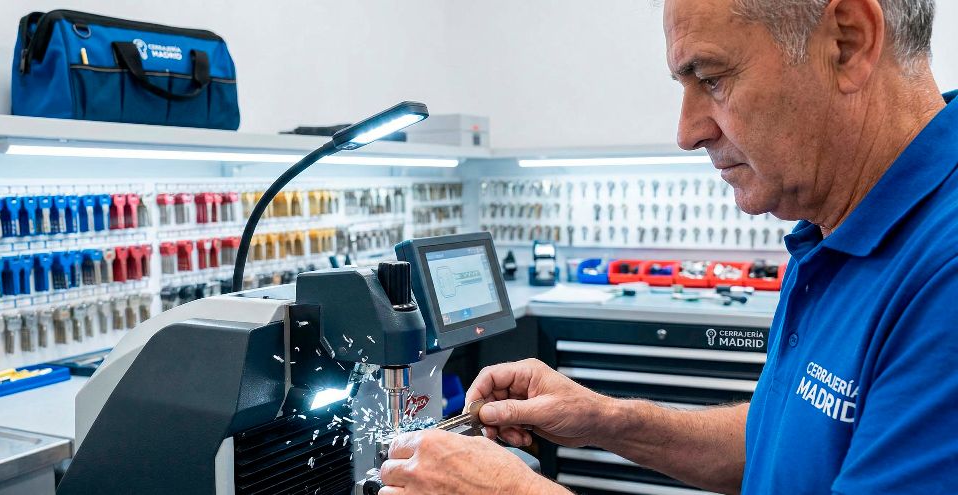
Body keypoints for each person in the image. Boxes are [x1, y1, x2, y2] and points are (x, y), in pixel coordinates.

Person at [378, 0, 958, 493]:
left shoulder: (944, 276)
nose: (687, 131)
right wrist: (604, 420)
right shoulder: (832, 227)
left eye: (711, 78)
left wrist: (510, 489)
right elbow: (785, 441)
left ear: (849, 42)